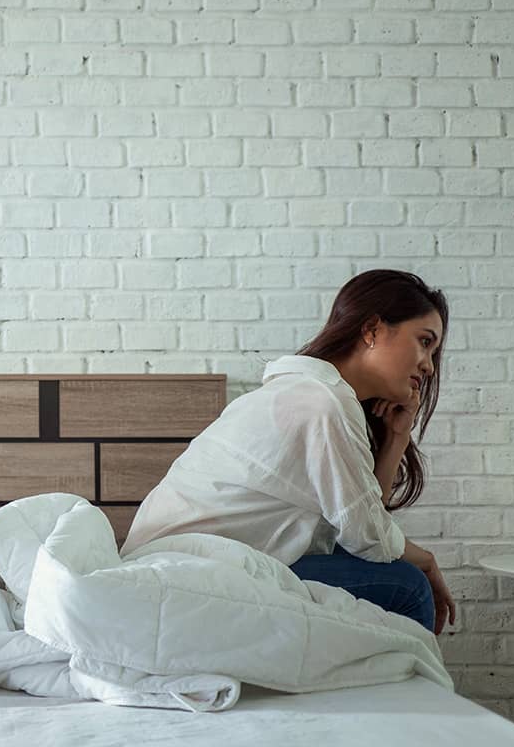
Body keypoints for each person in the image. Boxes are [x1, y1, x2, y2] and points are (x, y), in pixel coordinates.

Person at [123, 269, 455, 634]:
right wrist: (426, 560)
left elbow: (361, 523)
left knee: (388, 569)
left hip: (187, 560)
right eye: (424, 342)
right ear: (372, 330)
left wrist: (396, 440)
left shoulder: (309, 393)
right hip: (187, 571)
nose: (428, 365)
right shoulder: (321, 403)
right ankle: (411, 691)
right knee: (408, 587)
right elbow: (370, 539)